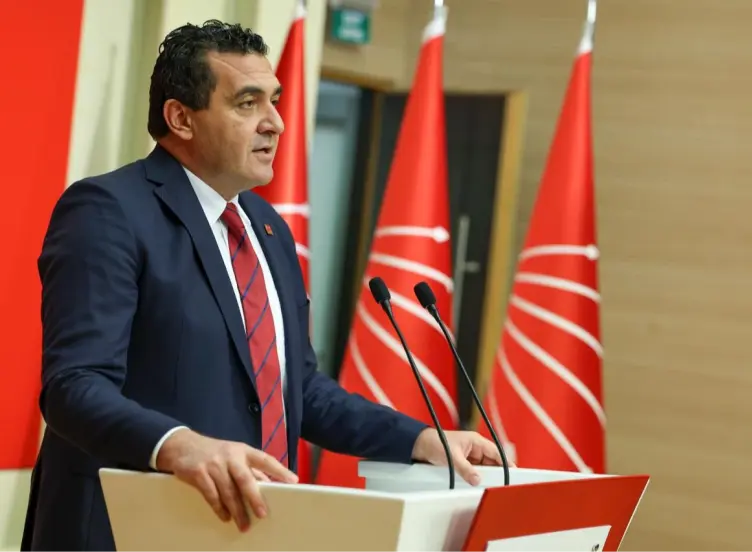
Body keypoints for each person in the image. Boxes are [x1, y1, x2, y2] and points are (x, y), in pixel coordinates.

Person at [20, 19, 508, 552]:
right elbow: (75, 386)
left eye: (273, 101)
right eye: (247, 103)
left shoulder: (267, 228)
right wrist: (179, 445)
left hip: (246, 530)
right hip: (127, 530)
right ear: (180, 118)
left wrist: (418, 439)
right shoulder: (109, 211)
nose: (275, 122)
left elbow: (300, 390)